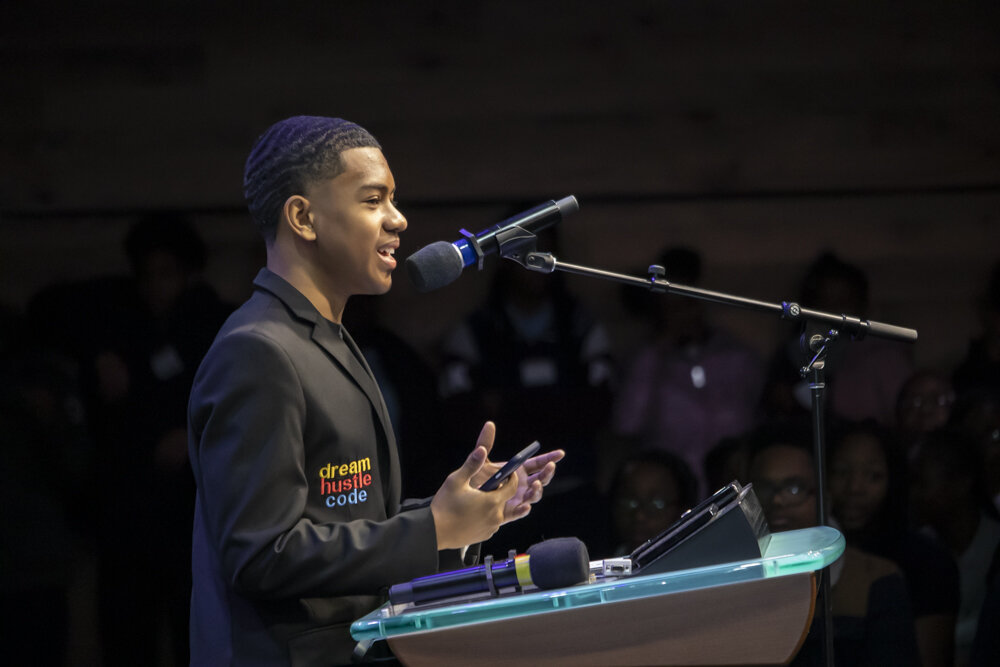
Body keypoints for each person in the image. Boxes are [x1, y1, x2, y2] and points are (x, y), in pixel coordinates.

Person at [188, 116, 564, 666]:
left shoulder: (325, 336)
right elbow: (262, 554)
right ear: (303, 217)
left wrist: (459, 511)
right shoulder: (257, 350)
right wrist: (432, 527)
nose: (398, 218)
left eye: (393, 199)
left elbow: (340, 522)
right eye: (373, 200)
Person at [745, 419, 920, 667]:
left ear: (825, 497)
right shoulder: (730, 580)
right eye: (763, 489)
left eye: (794, 488)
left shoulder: (876, 580)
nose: (778, 501)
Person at [613, 246, 764, 496]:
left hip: (732, 487)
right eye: (671, 305)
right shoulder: (646, 361)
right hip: (673, 492)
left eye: (687, 302)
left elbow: (757, 416)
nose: (682, 313)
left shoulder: (737, 356)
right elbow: (626, 424)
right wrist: (657, 350)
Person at [827, 420, 959, 667]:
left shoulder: (927, 562)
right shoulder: (810, 557)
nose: (854, 488)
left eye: (873, 476)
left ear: (894, 481)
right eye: (841, 472)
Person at [910, 427, 1000, 667]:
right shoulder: (919, 550)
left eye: (922, 482)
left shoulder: (994, 543)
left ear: (962, 483)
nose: (914, 494)